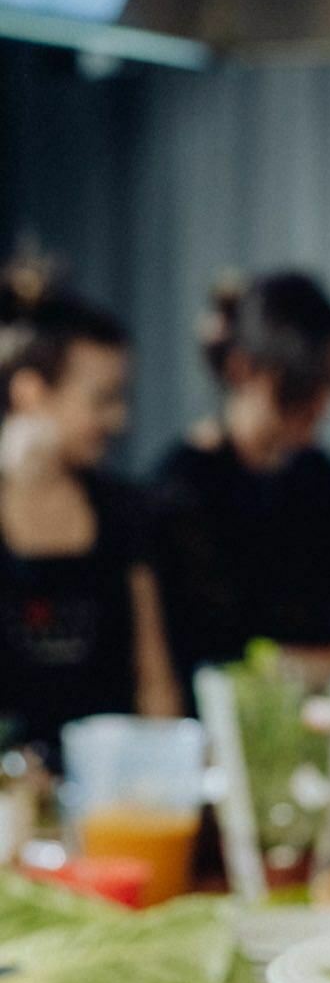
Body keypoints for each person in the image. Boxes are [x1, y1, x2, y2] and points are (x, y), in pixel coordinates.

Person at [152, 271, 330, 697]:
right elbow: (224, 658)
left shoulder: (323, 480)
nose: (322, 406)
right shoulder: (183, 491)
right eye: (304, 388)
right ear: (241, 369)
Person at [0, 265, 181, 758]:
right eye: (102, 400)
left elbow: (155, 683)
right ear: (30, 393)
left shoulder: (124, 511)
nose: (119, 419)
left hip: (111, 796)